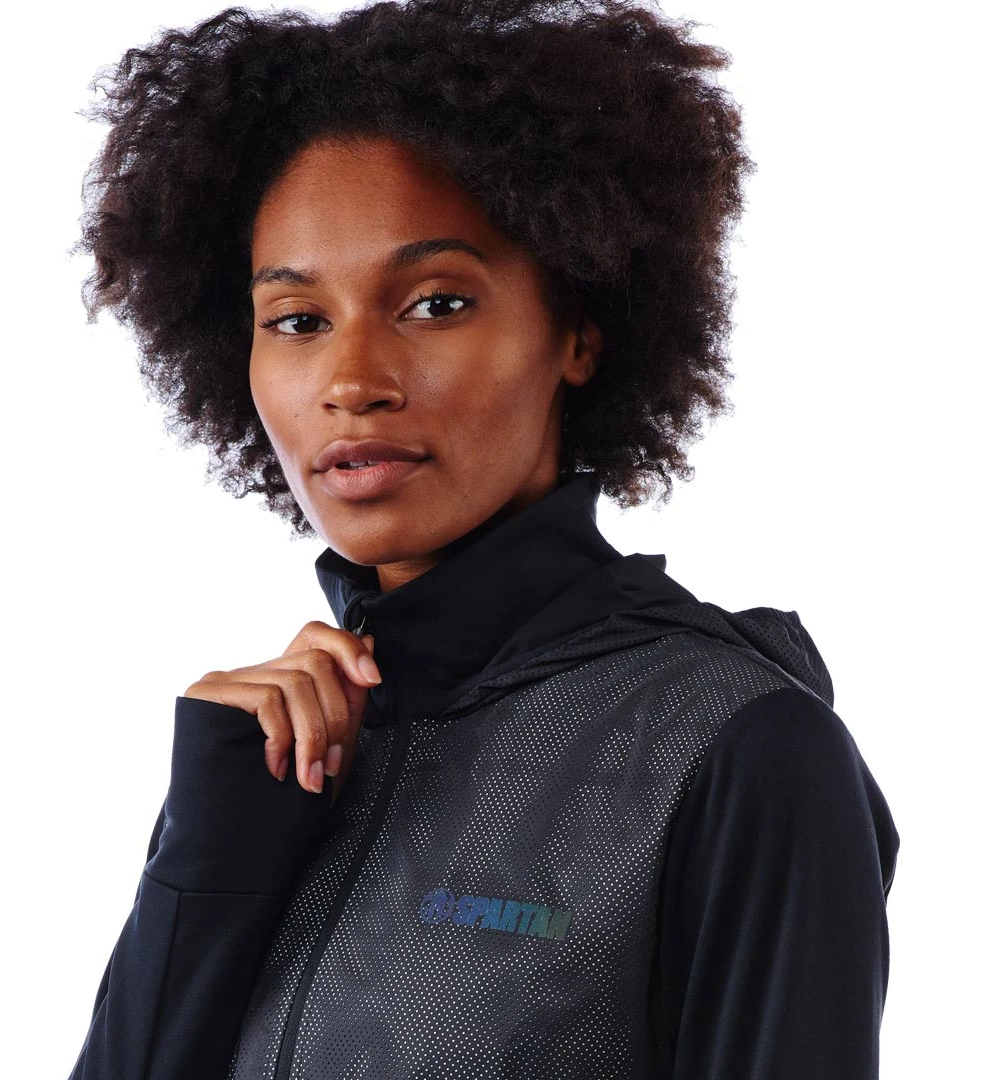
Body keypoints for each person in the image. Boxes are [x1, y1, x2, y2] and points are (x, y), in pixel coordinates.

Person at [69, 1, 899, 1077]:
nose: (352, 381)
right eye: (298, 321)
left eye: (436, 303)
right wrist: (207, 866)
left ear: (579, 334)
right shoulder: (277, 758)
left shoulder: (736, 751)